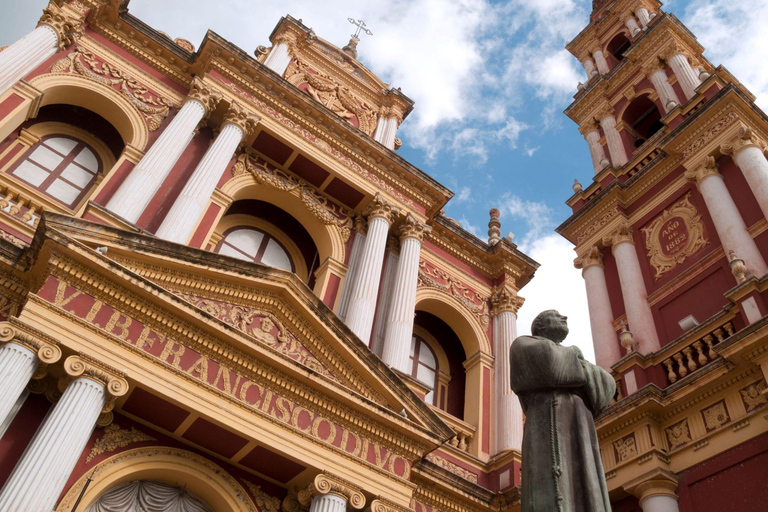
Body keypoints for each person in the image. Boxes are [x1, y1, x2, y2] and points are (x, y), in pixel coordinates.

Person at [510, 310, 615, 512]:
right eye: (556, 315)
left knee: (586, 482)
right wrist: (580, 364)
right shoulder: (522, 345)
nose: (564, 317)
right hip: (546, 424)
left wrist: (572, 369)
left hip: (580, 425)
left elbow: (607, 386)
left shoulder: (565, 355)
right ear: (540, 325)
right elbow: (550, 364)